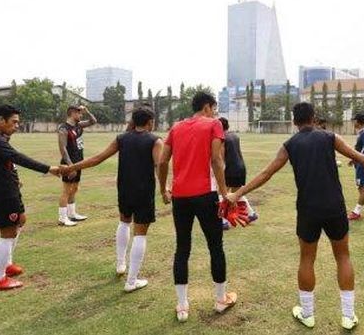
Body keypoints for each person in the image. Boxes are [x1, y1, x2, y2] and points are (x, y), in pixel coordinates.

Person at [226, 102, 364, 330]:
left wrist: (238, 193)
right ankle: (348, 316)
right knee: (343, 257)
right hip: (334, 207)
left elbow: (266, 173)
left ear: (294, 122)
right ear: (314, 118)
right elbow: (363, 159)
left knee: (306, 259)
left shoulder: (289, 144)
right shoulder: (329, 137)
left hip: (308, 209)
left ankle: (308, 313)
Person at [62, 106, 163, 292]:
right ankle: (132, 281)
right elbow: (159, 165)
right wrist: (165, 189)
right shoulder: (155, 140)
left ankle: (120, 264)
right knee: (140, 233)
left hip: (124, 188)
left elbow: (97, 159)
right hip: (143, 191)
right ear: (150, 122)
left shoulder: (122, 138)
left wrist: (70, 167)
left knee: (124, 222)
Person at [156, 91, 237, 322]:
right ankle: (221, 300)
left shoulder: (176, 127)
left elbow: (162, 161)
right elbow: (216, 160)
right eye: (214, 107)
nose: (215, 112)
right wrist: (224, 193)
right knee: (215, 246)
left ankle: (182, 306)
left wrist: (163, 189)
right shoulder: (214, 125)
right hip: (205, 194)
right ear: (207, 107)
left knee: (182, 248)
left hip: (180, 196)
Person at [0, 104, 61, 290]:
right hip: (2, 192)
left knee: (20, 221)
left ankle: (7, 264)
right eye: (14, 122)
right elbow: (17, 157)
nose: (17, 126)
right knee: (8, 232)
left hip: (8, 189)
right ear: (0, 120)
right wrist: (49, 169)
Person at [57, 105, 97, 226]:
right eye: (79, 114)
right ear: (72, 113)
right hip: (69, 163)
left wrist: (88, 111)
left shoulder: (79, 125)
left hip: (79, 162)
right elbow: (62, 148)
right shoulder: (63, 128)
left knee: (74, 189)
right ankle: (62, 218)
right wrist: (70, 166)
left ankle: (72, 214)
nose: (81, 116)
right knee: (66, 190)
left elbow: (93, 121)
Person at [219, 117, 258, 231]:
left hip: (230, 169)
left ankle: (223, 221)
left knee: (222, 193)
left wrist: (219, 172)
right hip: (241, 168)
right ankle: (251, 214)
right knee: (237, 193)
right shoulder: (234, 136)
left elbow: (221, 158)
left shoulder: (222, 138)